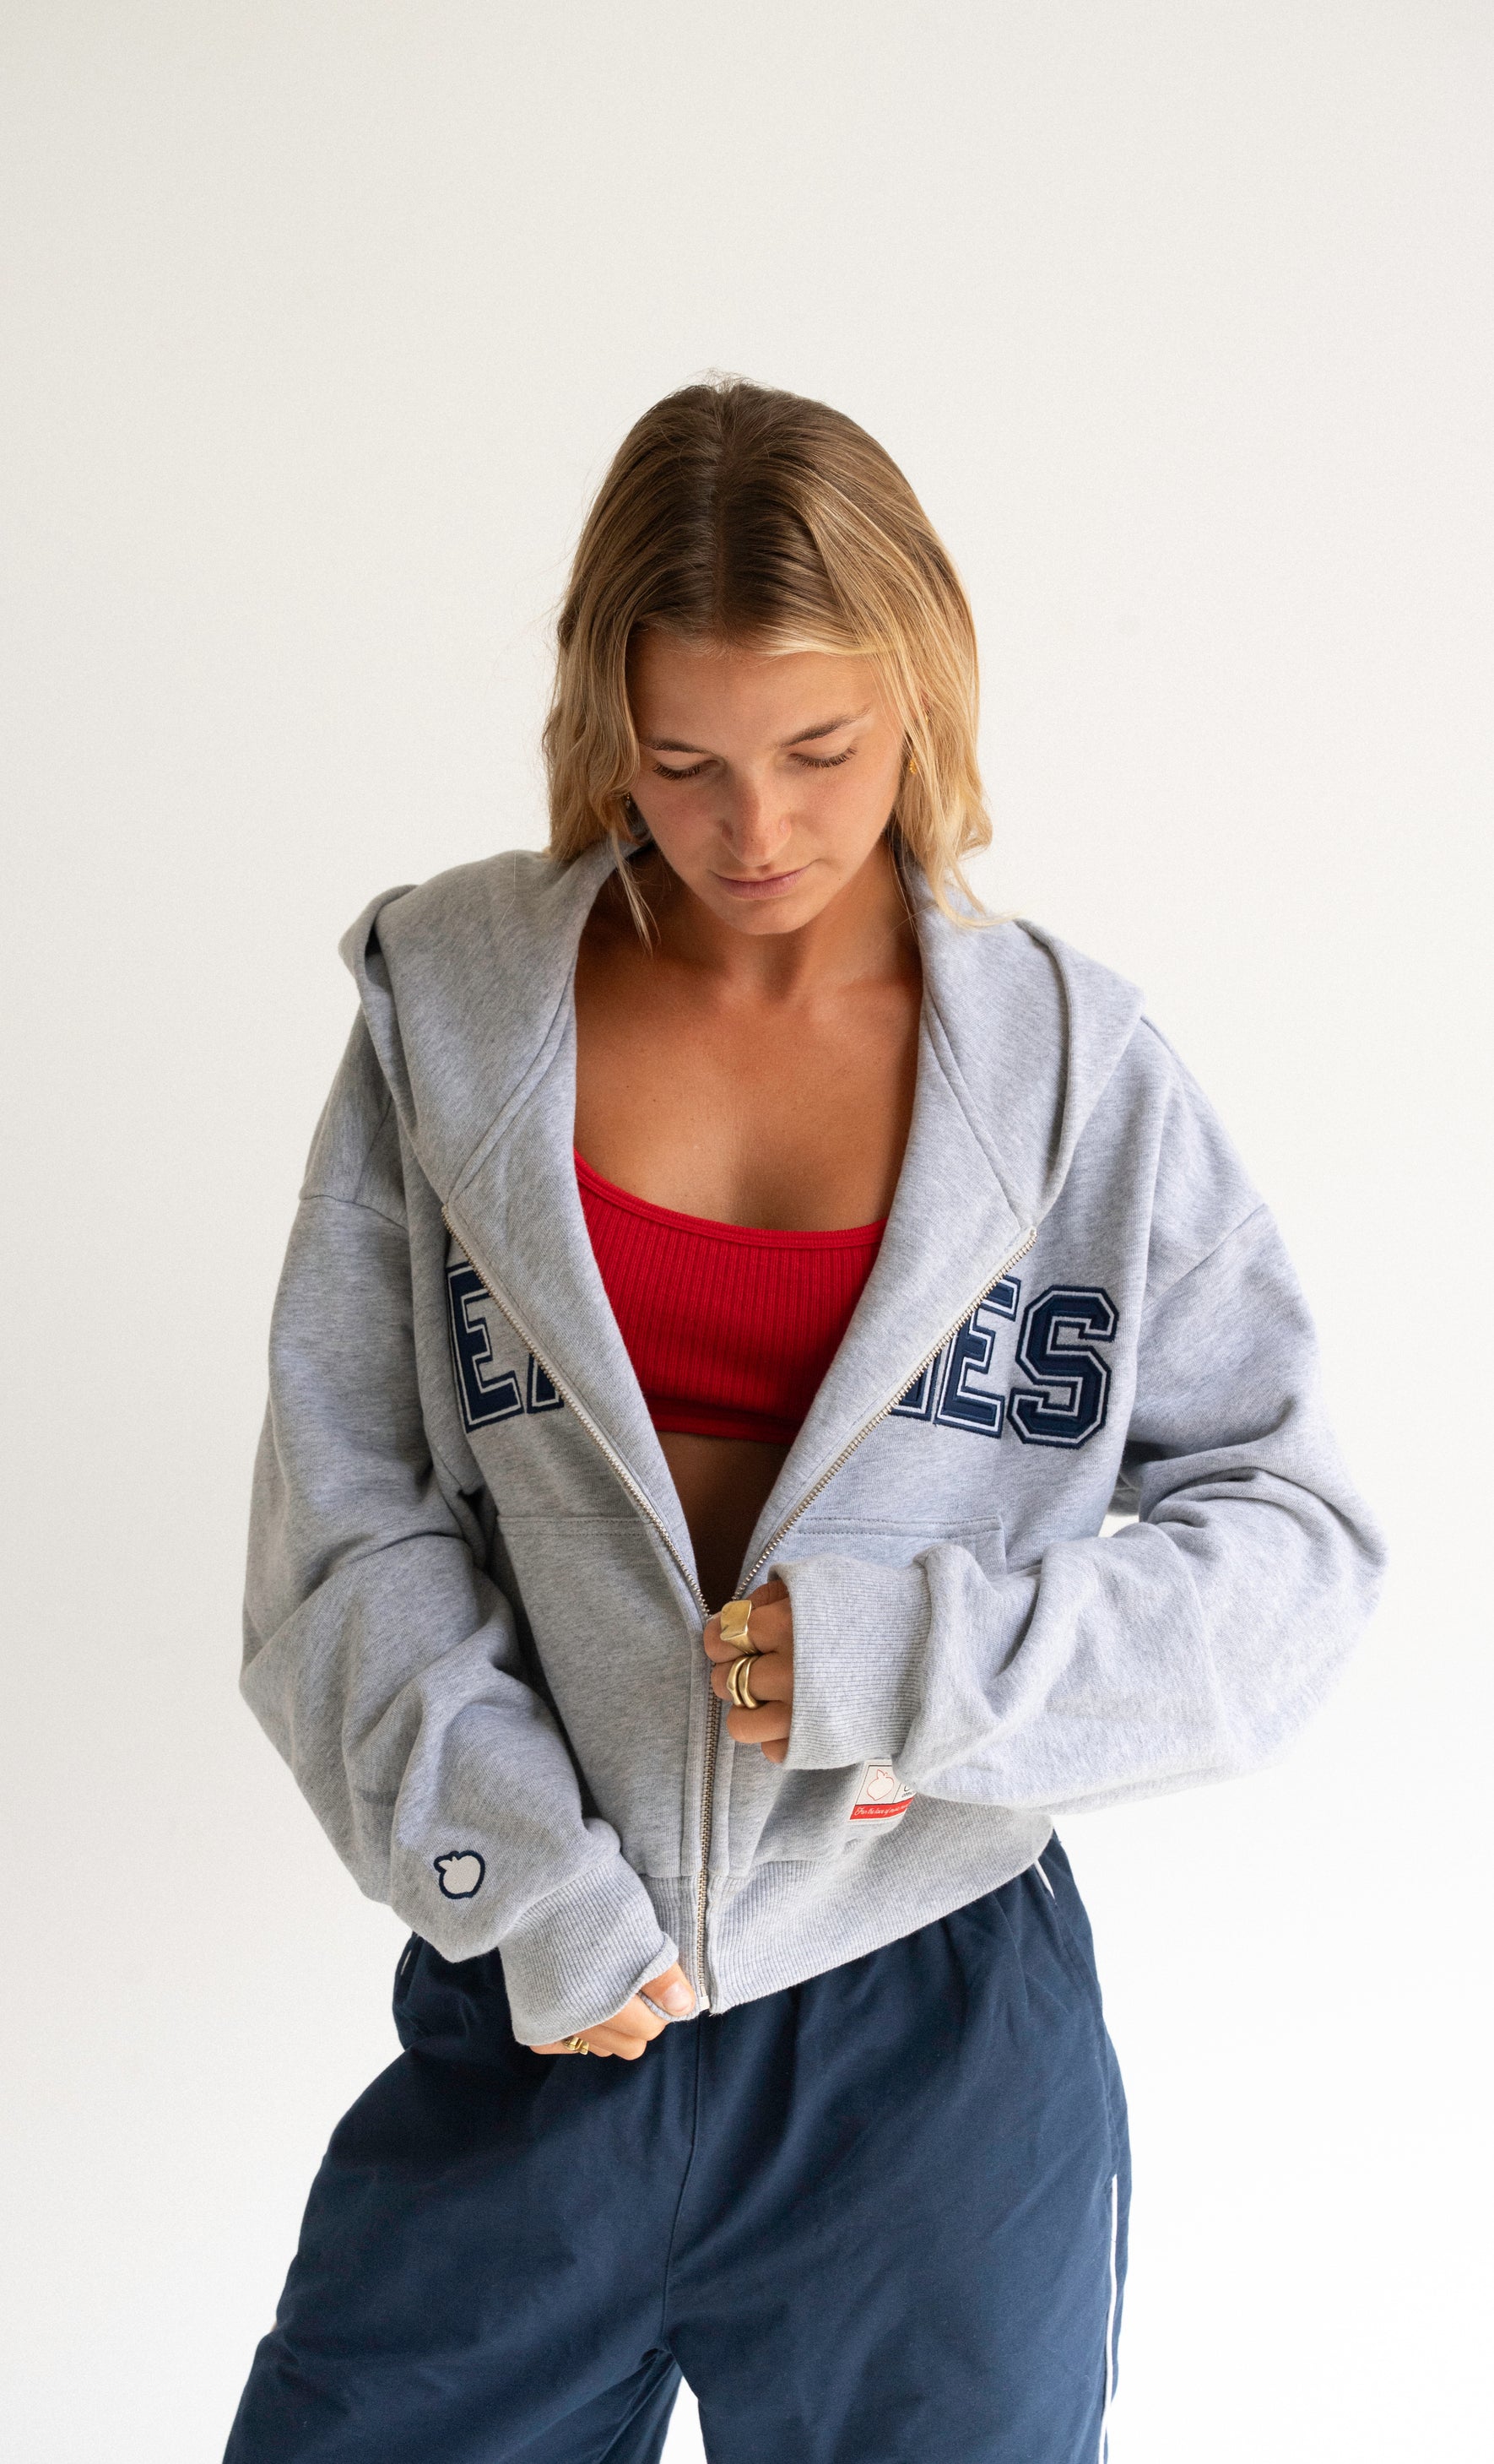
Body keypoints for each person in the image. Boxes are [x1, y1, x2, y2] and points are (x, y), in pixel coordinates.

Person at [224, 379, 1383, 2464]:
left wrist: (917, 1658)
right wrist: (525, 1877)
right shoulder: (451, 1009)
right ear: (605, 719)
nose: (752, 828)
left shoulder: (1076, 1072)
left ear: (920, 691)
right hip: (536, 1987)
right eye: (682, 762)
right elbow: (345, 1515)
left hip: (933, 2047)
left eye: (820, 750)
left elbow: (1296, 1543)